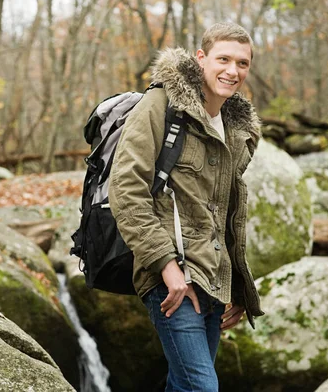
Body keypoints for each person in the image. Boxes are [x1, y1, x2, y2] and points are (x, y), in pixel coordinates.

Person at [108, 22, 265, 391]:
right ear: (201, 58)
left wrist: (237, 287)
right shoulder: (161, 105)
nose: (232, 71)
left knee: (184, 385)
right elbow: (126, 189)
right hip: (171, 279)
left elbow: (226, 215)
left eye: (242, 63)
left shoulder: (235, 127)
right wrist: (167, 267)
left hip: (212, 280)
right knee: (201, 387)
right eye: (223, 59)